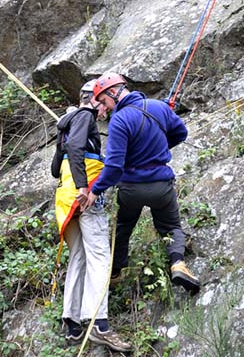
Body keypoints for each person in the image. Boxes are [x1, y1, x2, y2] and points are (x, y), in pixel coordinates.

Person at [86, 73, 200, 293]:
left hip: (132, 188)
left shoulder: (119, 120)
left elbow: (114, 166)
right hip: (161, 185)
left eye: (103, 101)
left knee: (123, 228)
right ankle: (178, 263)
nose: (105, 107)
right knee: (171, 226)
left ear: (113, 92)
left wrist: (95, 190)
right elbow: (181, 132)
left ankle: (116, 273)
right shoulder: (159, 107)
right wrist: (158, 147)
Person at [51, 79, 132, 352]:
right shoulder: (85, 116)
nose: (105, 112)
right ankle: (99, 323)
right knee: (99, 256)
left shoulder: (66, 122)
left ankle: (73, 324)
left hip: (64, 198)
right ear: (94, 98)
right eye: (103, 103)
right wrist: (85, 187)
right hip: (83, 198)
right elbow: (75, 149)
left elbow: (55, 168)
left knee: (79, 257)